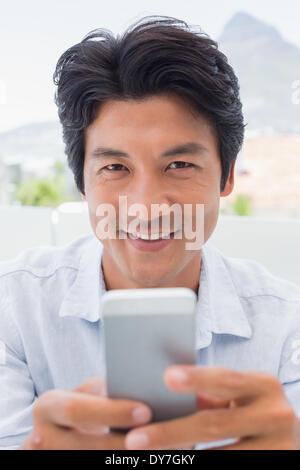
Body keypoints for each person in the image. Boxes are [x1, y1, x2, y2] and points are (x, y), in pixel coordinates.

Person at [1, 15, 300, 450]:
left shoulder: (288, 326)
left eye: (179, 165)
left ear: (227, 176)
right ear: (83, 183)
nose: (146, 208)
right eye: (115, 168)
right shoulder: (12, 310)